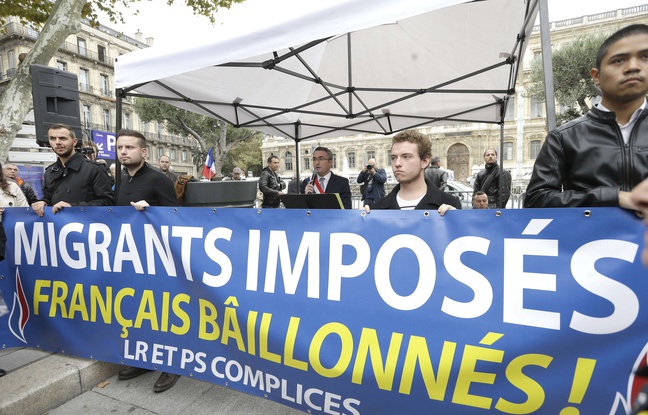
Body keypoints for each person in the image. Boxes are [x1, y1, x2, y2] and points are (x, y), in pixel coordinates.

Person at [525, 24, 648, 209]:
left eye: (645, 57)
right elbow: (536, 200)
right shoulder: (564, 137)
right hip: (590, 238)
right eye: (619, 60)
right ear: (596, 76)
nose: (633, 67)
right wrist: (613, 197)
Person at [114, 129, 180, 392]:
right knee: (139, 312)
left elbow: (176, 215)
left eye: (129, 147)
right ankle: (144, 360)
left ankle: (172, 365)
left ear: (143, 152)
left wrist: (152, 211)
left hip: (158, 260)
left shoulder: (158, 179)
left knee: (162, 313)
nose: (123, 152)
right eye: (120, 147)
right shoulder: (120, 180)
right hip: (131, 259)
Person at [367, 130, 461, 213]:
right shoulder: (377, 209)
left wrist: (455, 222)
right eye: (393, 157)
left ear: (424, 161)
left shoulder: (450, 205)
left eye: (406, 157)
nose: (397, 163)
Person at [31, 123, 114, 217]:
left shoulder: (94, 169)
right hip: (58, 228)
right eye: (53, 138)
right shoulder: (50, 172)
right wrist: (42, 202)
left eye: (63, 138)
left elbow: (108, 202)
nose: (57, 142)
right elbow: (48, 197)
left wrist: (73, 207)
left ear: (74, 142)